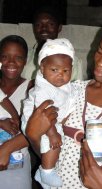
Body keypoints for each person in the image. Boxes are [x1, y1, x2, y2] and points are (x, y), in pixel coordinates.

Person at [26, 17, 102, 189]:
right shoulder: (70, 91)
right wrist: (33, 136)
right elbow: (48, 152)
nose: (100, 62)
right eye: (99, 51)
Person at [21, 38, 79, 188]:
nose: (60, 75)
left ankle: (46, 170)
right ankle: (46, 172)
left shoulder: (64, 85)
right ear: (42, 68)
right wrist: (53, 133)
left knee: (57, 142)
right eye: (54, 70)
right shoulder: (43, 88)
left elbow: (71, 95)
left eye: (66, 71)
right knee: (53, 143)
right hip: (39, 120)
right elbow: (45, 113)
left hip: (51, 119)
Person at [0, 35, 33, 189]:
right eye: (5, 57)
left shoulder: (32, 88)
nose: (11, 62)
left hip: (16, 162)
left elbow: (37, 131)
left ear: (25, 61)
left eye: (18, 57)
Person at [21, 6, 84, 81]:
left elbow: (78, 90)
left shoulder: (73, 61)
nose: (44, 28)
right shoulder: (24, 57)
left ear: (59, 28)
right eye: (38, 25)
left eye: (50, 24)